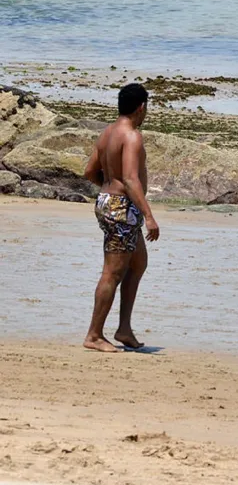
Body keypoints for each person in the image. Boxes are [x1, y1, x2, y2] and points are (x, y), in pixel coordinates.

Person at [82, 84, 161, 353]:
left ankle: (124, 329)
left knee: (138, 263)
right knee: (112, 272)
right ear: (141, 107)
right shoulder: (132, 136)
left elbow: (90, 171)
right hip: (121, 208)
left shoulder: (107, 133)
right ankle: (93, 335)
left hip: (110, 204)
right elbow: (130, 178)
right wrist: (149, 215)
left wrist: (107, 190)